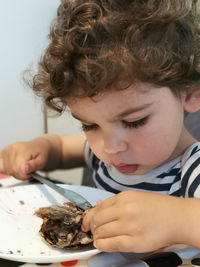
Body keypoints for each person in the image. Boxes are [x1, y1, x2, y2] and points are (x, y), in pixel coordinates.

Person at [1, 0, 200, 254]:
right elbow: (61, 148)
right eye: (89, 125)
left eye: (133, 122)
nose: (109, 147)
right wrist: (37, 150)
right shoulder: (110, 157)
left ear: (190, 92)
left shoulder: (191, 167)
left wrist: (180, 220)